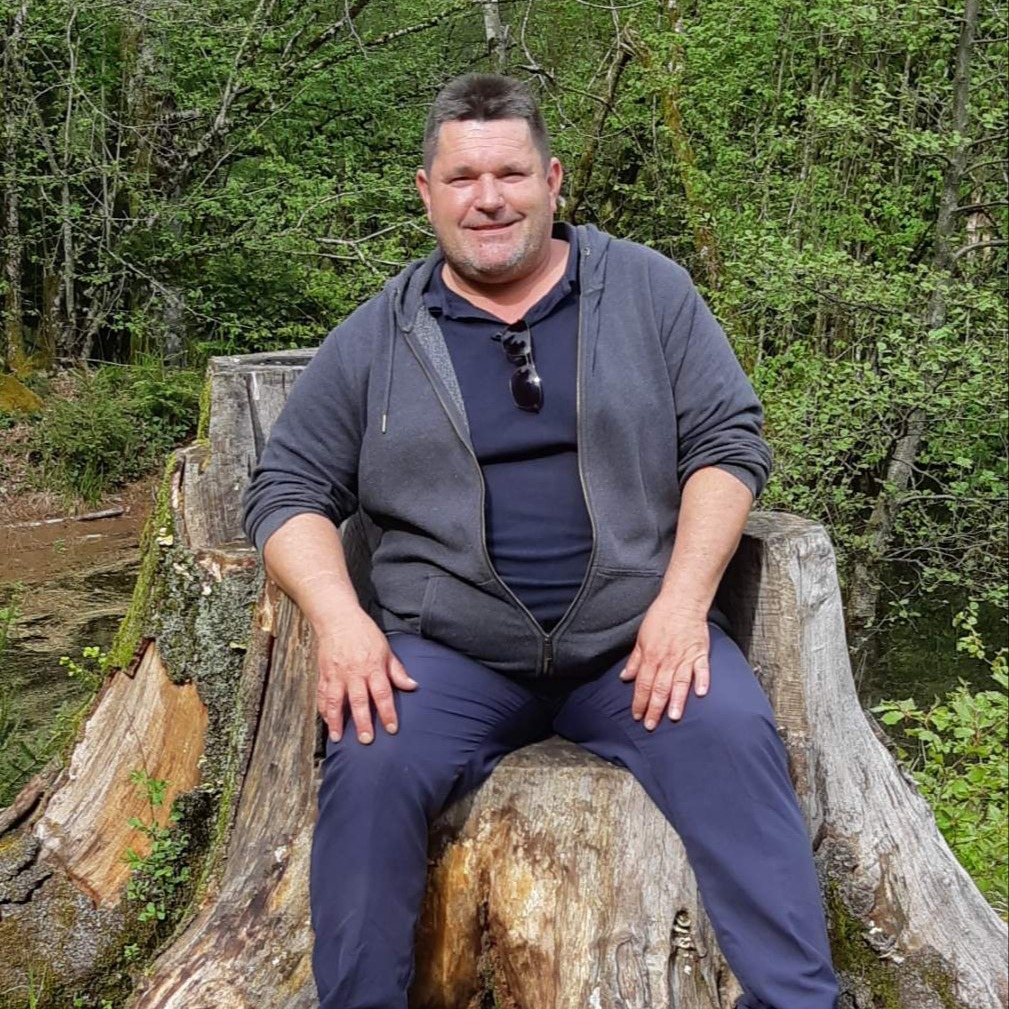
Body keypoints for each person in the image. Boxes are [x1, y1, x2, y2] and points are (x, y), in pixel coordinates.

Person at [242, 74, 839, 1009]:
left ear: (552, 180)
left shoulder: (646, 291)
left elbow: (728, 444)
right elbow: (284, 490)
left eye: (511, 174)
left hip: (633, 643)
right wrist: (340, 621)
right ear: (427, 193)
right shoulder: (376, 336)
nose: (488, 198)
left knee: (731, 734)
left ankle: (798, 1000)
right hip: (448, 655)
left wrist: (682, 606)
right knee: (370, 755)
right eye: (463, 177)